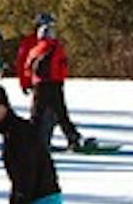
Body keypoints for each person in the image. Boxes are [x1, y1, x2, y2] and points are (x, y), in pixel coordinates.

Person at [19, 19, 89, 152]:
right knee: (61, 114)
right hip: (55, 85)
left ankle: (31, 141)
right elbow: (62, 67)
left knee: (36, 115)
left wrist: (30, 82)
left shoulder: (35, 50)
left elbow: (27, 68)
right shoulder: (56, 47)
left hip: (39, 86)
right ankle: (73, 139)